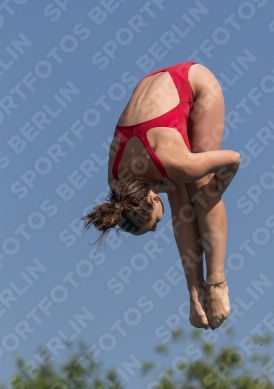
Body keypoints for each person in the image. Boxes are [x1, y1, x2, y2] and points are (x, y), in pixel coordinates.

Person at [83, 62, 241, 330]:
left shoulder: (177, 161)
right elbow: (180, 209)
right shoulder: (117, 181)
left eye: (153, 224)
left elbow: (233, 160)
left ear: (152, 198)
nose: (157, 228)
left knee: (200, 184)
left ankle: (216, 283)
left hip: (192, 81)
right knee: (182, 194)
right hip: (153, 93)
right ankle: (194, 294)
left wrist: (209, 198)